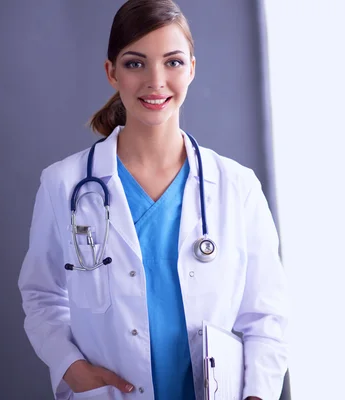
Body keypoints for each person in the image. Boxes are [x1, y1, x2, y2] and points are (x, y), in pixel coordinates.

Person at [17, 0, 289, 399]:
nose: (155, 80)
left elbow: (266, 315)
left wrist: (256, 394)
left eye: (173, 62)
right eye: (135, 63)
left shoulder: (236, 187)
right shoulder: (64, 184)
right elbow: (41, 294)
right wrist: (70, 366)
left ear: (192, 68)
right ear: (111, 72)